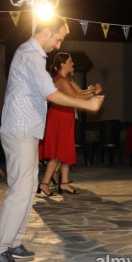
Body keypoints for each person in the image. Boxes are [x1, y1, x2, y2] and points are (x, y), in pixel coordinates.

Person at [0, 17, 104, 262]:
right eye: (58, 39)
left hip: (26, 129)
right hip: (20, 128)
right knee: (20, 190)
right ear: (47, 31)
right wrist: (87, 104)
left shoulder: (33, 55)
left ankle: (12, 242)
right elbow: (52, 94)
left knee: (27, 189)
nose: (58, 45)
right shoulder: (30, 54)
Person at [38, 52, 102, 195]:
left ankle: (64, 183)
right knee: (57, 151)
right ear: (63, 64)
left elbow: (80, 92)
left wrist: (93, 90)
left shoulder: (66, 79)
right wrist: (94, 93)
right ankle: (44, 183)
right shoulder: (60, 80)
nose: (72, 64)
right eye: (70, 61)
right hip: (59, 116)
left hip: (66, 116)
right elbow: (75, 96)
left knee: (66, 150)